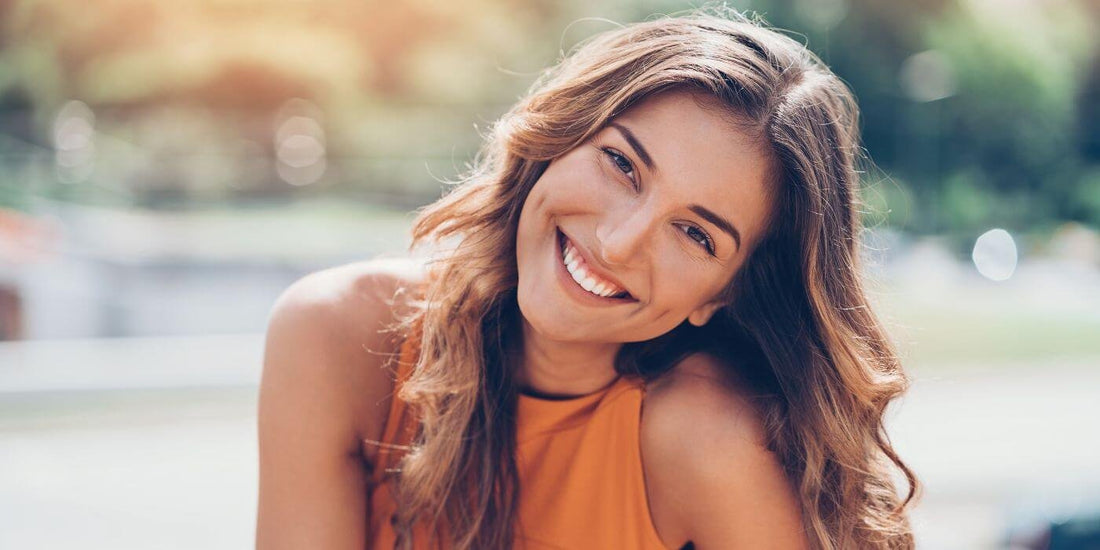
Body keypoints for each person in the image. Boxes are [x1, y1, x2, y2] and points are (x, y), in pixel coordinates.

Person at [255, 8, 920, 550]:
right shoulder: (340, 338)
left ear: (722, 294)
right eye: (622, 165)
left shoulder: (703, 438)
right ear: (561, 133)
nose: (617, 241)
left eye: (695, 234)